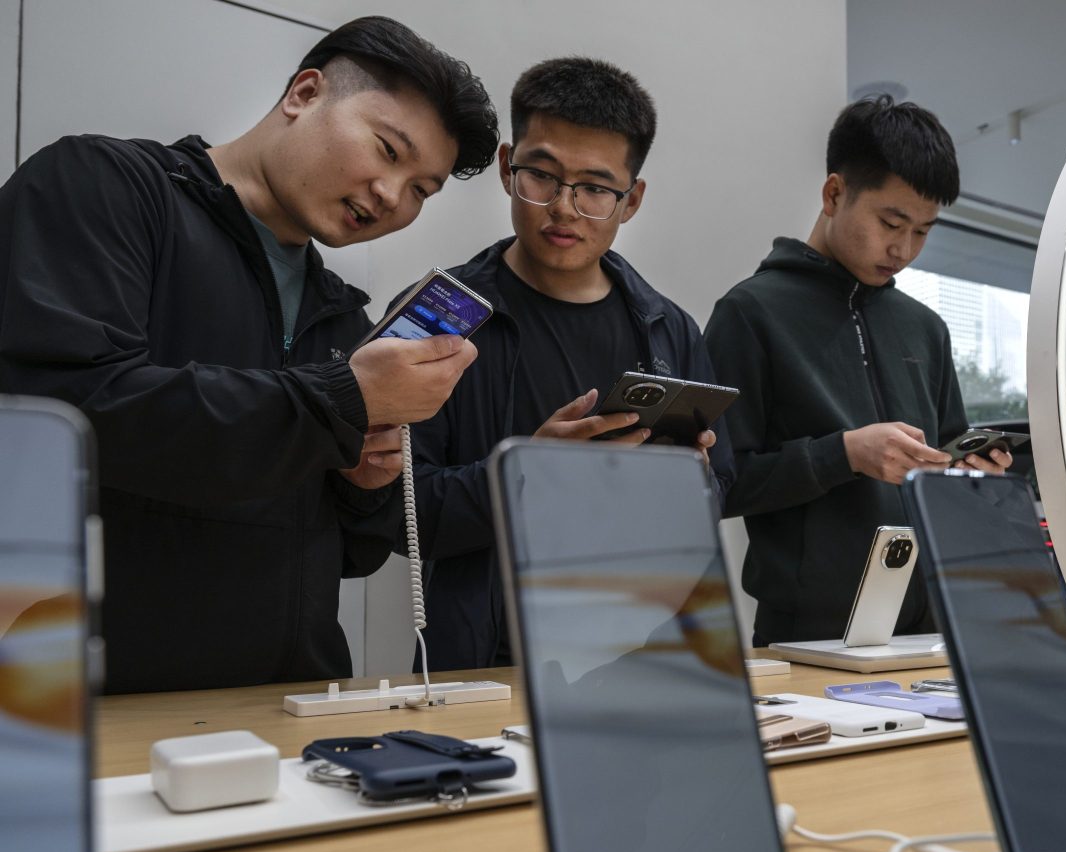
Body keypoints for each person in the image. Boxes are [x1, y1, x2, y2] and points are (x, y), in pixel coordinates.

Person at [0, 17, 499, 693]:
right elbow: (69, 416)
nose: (392, 195)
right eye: (387, 150)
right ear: (304, 93)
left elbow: (335, 554)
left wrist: (361, 487)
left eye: (421, 189)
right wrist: (339, 399)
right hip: (98, 702)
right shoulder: (106, 187)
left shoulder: (342, 313)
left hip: (292, 709)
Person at [405, 57, 735, 671]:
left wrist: (684, 485)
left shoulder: (669, 331)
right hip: (485, 664)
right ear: (507, 168)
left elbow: (718, 494)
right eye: (542, 176)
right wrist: (529, 474)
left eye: (594, 189)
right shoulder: (441, 315)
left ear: (630, 200)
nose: (564, 207)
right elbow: (394, 512)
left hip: (639, 661)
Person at [704, 96, 1010, 646]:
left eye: (923, 231)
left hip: (932, 629)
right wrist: (843, 454)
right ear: (834, 193)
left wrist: (971, 476)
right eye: (891, 222)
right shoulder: (750, 313)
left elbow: (944, 468)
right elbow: (719, 484)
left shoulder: (926, 328)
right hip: (808, 636)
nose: (903, 248)